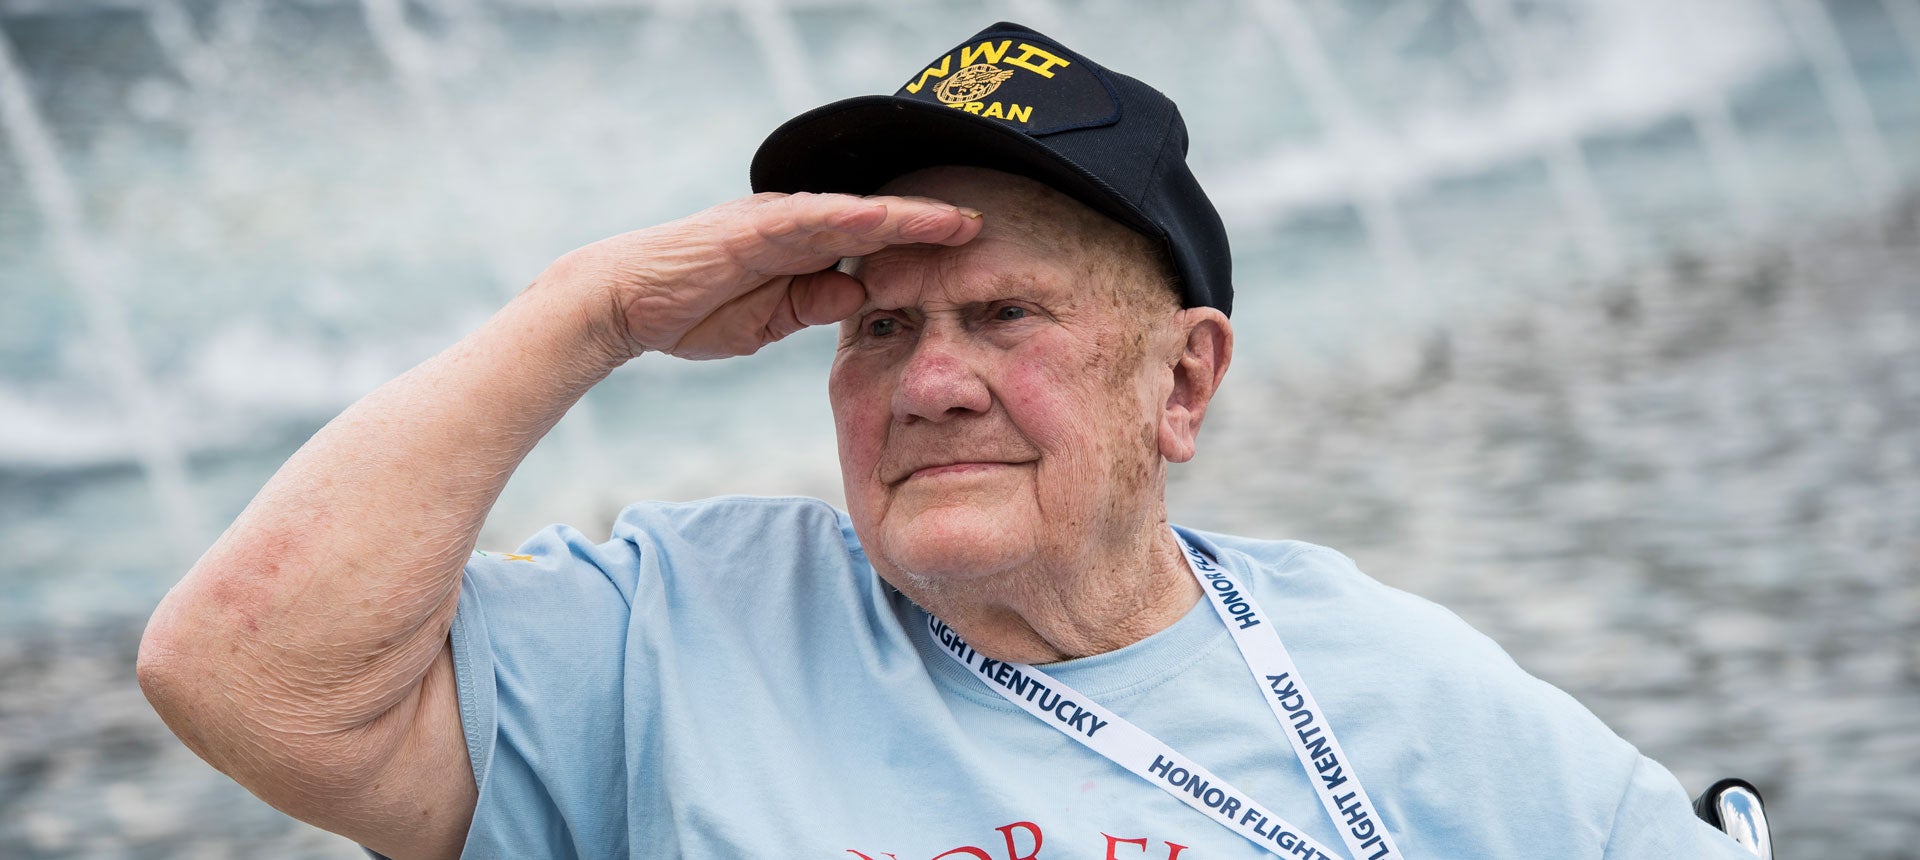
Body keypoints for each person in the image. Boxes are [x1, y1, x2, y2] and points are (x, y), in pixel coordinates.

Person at [137, 22, 1754, 860]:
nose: (928, 382)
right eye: (881, 328)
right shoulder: (674, 633)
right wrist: (590, 312)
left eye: (1007, 318)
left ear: (1180, 386)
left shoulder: (1404, 690)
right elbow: (243, 673)